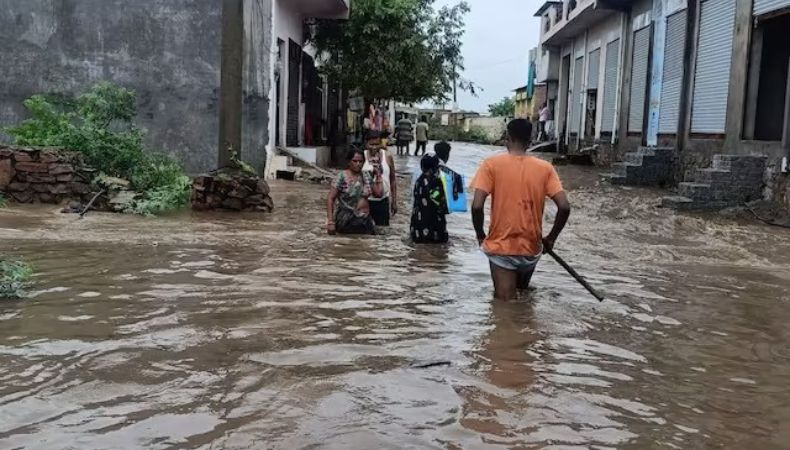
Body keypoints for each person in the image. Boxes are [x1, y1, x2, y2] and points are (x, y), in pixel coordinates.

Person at [471, 118, 571, 301]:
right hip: (531, 249)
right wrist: (551, 238)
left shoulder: (491, 165)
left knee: (505, 308)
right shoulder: (546, 168)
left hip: (502, 248)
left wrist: (480, 234)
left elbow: (477, 206)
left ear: (507, 138)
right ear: (530, 140)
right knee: (522, 301)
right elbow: (564, 207)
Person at [327, 148, 384, 235]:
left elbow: (379, 194)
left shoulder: (366, 176)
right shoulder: (341, 177)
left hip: (364, 220)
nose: (358, 164)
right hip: (346, 219)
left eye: (361, 161)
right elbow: (331, 199)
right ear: (349, 162)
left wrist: (379, 176)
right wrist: (330, 222)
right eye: (355, 161)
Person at [411, 154, 449, 244]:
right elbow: (440, 203)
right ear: (435, 168)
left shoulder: (419, 181)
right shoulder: (436, 183)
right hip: (433, 227)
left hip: (418, 225)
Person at [362, 131, 398, 227]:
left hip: (383, 201)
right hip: (365, 201)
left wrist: (394, 201)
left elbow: (393, 179)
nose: (374, 147)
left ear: (381, 144)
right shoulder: (361, 157)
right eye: (371, 144)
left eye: (377, 144)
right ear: (366, 144)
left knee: (382, 231)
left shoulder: (387, 156)